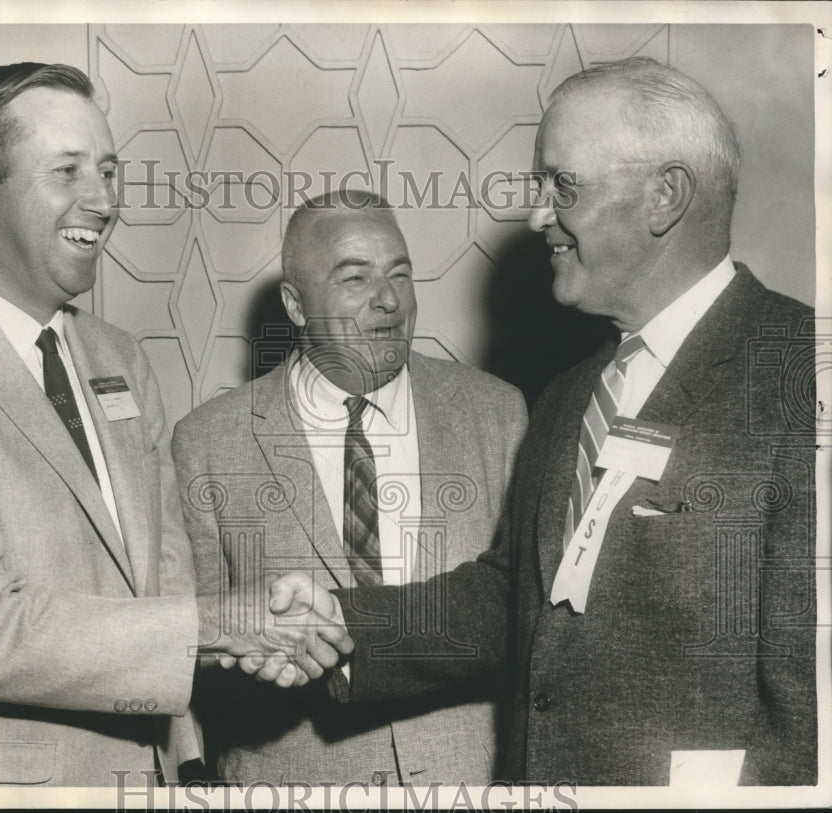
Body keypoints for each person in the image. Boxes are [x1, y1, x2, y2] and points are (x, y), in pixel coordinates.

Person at [264, 57, 818, 786]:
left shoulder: (799, 376)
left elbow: (811, 705)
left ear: (666, 197)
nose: (537, 214)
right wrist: (342, 623)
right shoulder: (566, 397)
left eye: (565, 185)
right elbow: (516, 598)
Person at [0, 62, 349, 788]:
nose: (103, 201)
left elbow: (166, 583)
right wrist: (220, 624)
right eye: (68, 171)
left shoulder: (119, 358)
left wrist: (190, 750)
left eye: (110, 170)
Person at [171, 190, 527, 786]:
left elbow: (522, 611)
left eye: (400, 274)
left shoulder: (497, 413)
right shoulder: (208, 441)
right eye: (354, 278)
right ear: (295, 303)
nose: (388, 300)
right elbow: (189, 644)